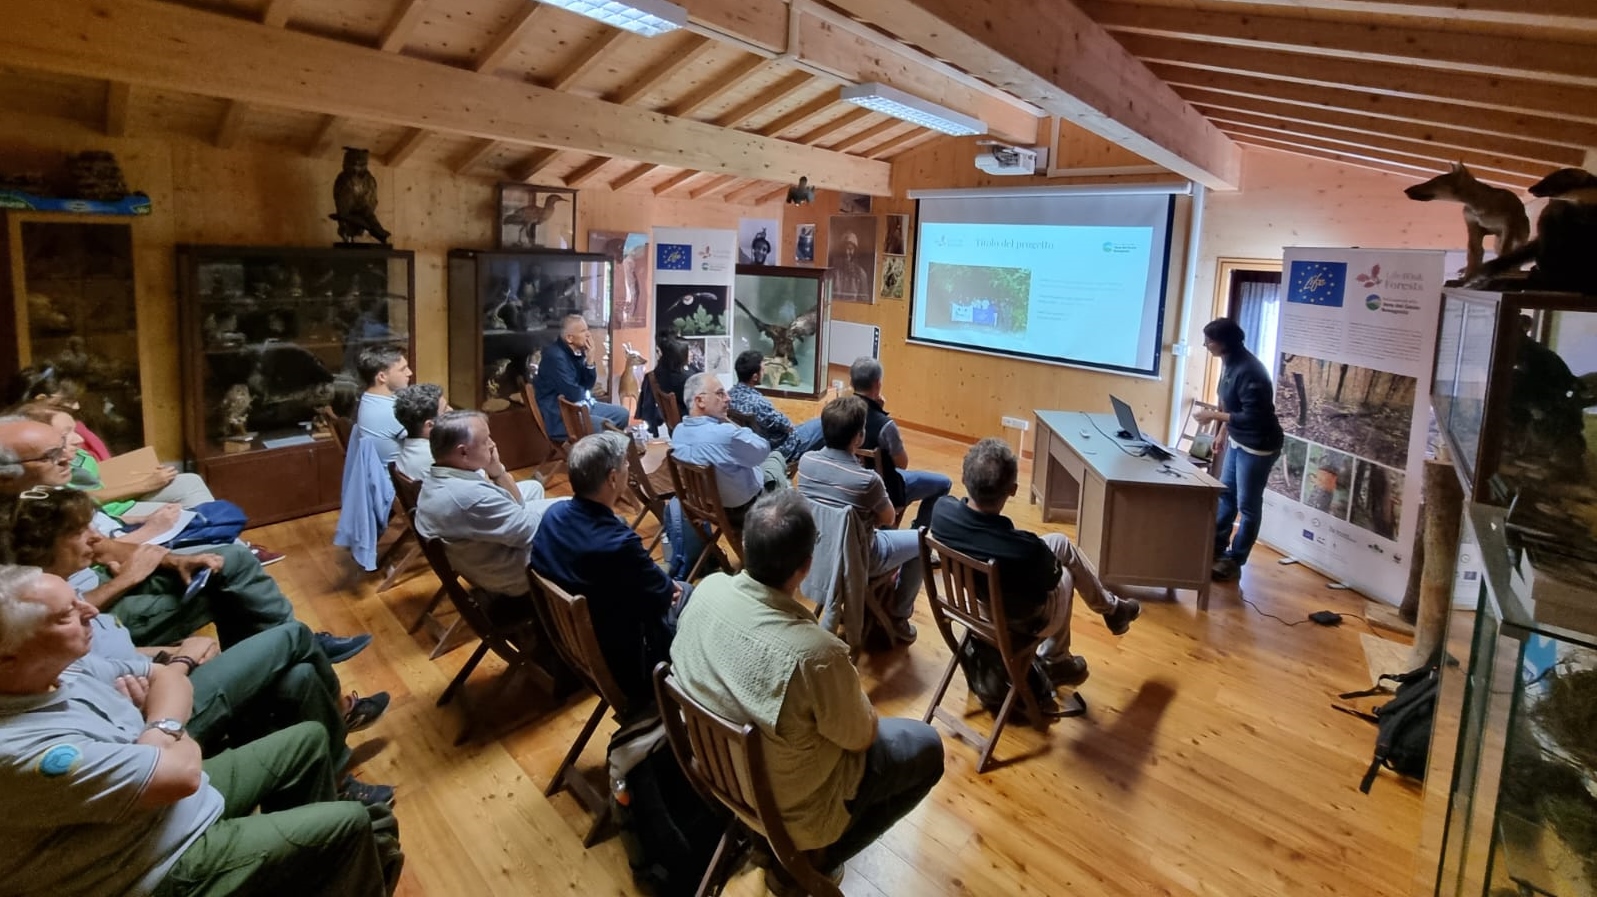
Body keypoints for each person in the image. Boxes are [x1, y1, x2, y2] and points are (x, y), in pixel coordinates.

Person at [0, 566, 393, 897]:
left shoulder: (62, 667)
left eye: (77, 600)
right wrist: (167, 729)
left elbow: (166, 677)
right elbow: (182, 775)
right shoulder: (23, 750)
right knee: (352, 822)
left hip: (160, 810)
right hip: (148, 866)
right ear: (7, 656)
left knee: (307, 739)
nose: (90, 610)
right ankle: (323, 854)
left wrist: (156, 732)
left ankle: (306, 873)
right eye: (66, 615)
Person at [2, 486, 392, 788]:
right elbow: (103, 687)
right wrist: (180, 662)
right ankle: (325, 688)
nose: (93, 537)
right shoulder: (42, 619)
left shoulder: (61, 604)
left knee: (301, 676)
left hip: (161, 675)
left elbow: (109, 658)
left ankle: (334, 775)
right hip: (161, 708)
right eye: (78, 532)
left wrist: (169, 653)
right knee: (291, 637)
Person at [668, 492, 944, 896]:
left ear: (745, 545)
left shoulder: (706, 591)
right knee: (926, 747)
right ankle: (814, 863)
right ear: (805, 568)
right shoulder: (815, 654)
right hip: (790, 811)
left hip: (718, 778)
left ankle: (784, 852)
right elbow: (862, 736)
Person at [0, 416, 370, 660]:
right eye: (52, 454)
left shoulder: (49, 496)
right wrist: (129, 577)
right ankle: (292, 648)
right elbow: (51, 624)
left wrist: (172, 559)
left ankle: (291, 647)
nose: (70, 454)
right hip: (96, 614)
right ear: (7, 474)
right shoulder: (11, 534)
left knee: (227, 560)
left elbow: (103, 545)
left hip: (109, 582)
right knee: (232, 584)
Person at [929, 438, 1140, 687]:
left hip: (969, 607)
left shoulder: (941, 512)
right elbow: (1050, 580)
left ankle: (1113, 608)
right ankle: (1056, 659)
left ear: (964, 479)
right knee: (1066, 576)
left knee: (1059, 543)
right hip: (1017, 620)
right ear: (1013, 490)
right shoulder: (1025, 549)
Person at [529, 432, 685, 711]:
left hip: (573, 646)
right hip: (629, 661)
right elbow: (664, 597)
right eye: (626, 465)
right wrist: (669, 587)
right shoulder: (618, 544)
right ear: (613, 479)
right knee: (691, 593)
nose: (629, 470)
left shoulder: (553, 515)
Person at [796, 396, 923, 642]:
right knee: (921, 542)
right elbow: (888, 518)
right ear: (859, 437)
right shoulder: (867, 481)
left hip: (818, 551)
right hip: (860, 557)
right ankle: (899, 614)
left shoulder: (806, 462)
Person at [414, 410, 563, 599]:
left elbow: (517, 506)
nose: (493, 444)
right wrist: (568, 511)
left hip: (483, 559)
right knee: (578, 518)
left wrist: (497, 471)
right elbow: (529, 532)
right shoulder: (470, 498)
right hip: (513, 574)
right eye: (485, 441)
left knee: (557, 503)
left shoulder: (440, 473)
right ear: (463, 452)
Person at [667, 372, 789, 578]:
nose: (728, 398)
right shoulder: (725, 435)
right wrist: (730, 423)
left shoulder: (678, 431)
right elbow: (762, 449)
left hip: (706, 507)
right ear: (700, 400)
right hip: (745, 508)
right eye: (720, 393)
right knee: (776, 459)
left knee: (771, 465)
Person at [1197, 318, 1285, 582]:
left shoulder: (1251, 370)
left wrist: (1215, 417)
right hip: (1237, 440)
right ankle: (1215, 548)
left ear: (1223, 343)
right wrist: (1223, 433)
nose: (1205, 345)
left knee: (1248, 505)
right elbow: (1227, 402)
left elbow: (1252, 417)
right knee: (1226, 495)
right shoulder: (1229, 362)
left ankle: (1235, 560)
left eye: (1209, 341)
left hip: (1258, 445)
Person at [849, 357, 951, 529]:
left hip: (851, 483)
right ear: (878, 384)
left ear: (851, 382)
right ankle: (917, 533)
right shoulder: (885, 425)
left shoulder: (839, 413)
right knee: (944, 483)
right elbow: (902, 464)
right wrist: (881, 412)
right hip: (886, 489)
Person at [534, 314, 630, 443]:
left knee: (622, 414)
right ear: (569, 338)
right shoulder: (556, 357)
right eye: (583, 331)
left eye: (587, 329)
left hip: (580, 407)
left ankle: (605, 456)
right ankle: (596, 459)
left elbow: (588, 384)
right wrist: (586, 393)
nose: (588, 335)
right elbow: (573, 393)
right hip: (561, 416)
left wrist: (590, 360)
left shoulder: (575, 351)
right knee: (605, 425)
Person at [727, 350, 824, 464]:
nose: (765, 372)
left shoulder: (729, 396)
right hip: (781, 449)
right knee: (826, 424)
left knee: (809, 425)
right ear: (755, 376)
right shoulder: (759, 403)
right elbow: (788, 426)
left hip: (751, 449)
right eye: (763, 369)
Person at [354, 345, 413, 465]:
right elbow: (428, 438)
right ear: (382, 376)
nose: (410, 373)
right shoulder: (387, 411)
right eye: (403, 369)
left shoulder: (370, 399)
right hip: (396, 481)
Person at [391, 383, 448, 481]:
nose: (452, 410)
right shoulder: (437, 459)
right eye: (445, 409)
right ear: (430, 425)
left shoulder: (403, 447)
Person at [829, 231, 870, 302]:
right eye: (843, 249)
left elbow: (864, 301)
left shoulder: (860, 274)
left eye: (850, 249)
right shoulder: (832, 272)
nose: (846, 253)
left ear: (855, 252)